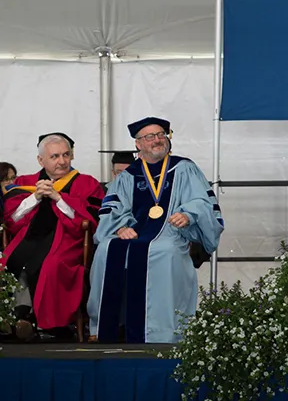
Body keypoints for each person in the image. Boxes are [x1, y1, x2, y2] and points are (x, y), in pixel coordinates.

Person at [88, 117, 224, 343]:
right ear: (138, 144)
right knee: (106, 250)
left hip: (170, 233)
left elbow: (202, 201)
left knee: (164, 252)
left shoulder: (184, 168)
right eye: (150, 137)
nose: (157, 140)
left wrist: (188, 215)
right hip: (134, 232)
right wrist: (120, 227)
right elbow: (112, 207)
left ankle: (162, 332)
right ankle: (110, 327)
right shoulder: (128, 175)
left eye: (162, 134)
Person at [0, 134, 104, 340]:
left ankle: (44, 324)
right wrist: (35, 196)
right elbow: (12, 219)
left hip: (67, 240)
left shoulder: (86, 183)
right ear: (41, 160)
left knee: (51, 265)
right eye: (55, 156)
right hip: (27, 238)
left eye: (66, 155)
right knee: (8, 263)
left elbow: (90, 220)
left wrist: (58, 197)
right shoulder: (25, 182)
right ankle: (16, 318)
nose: (62, 161)